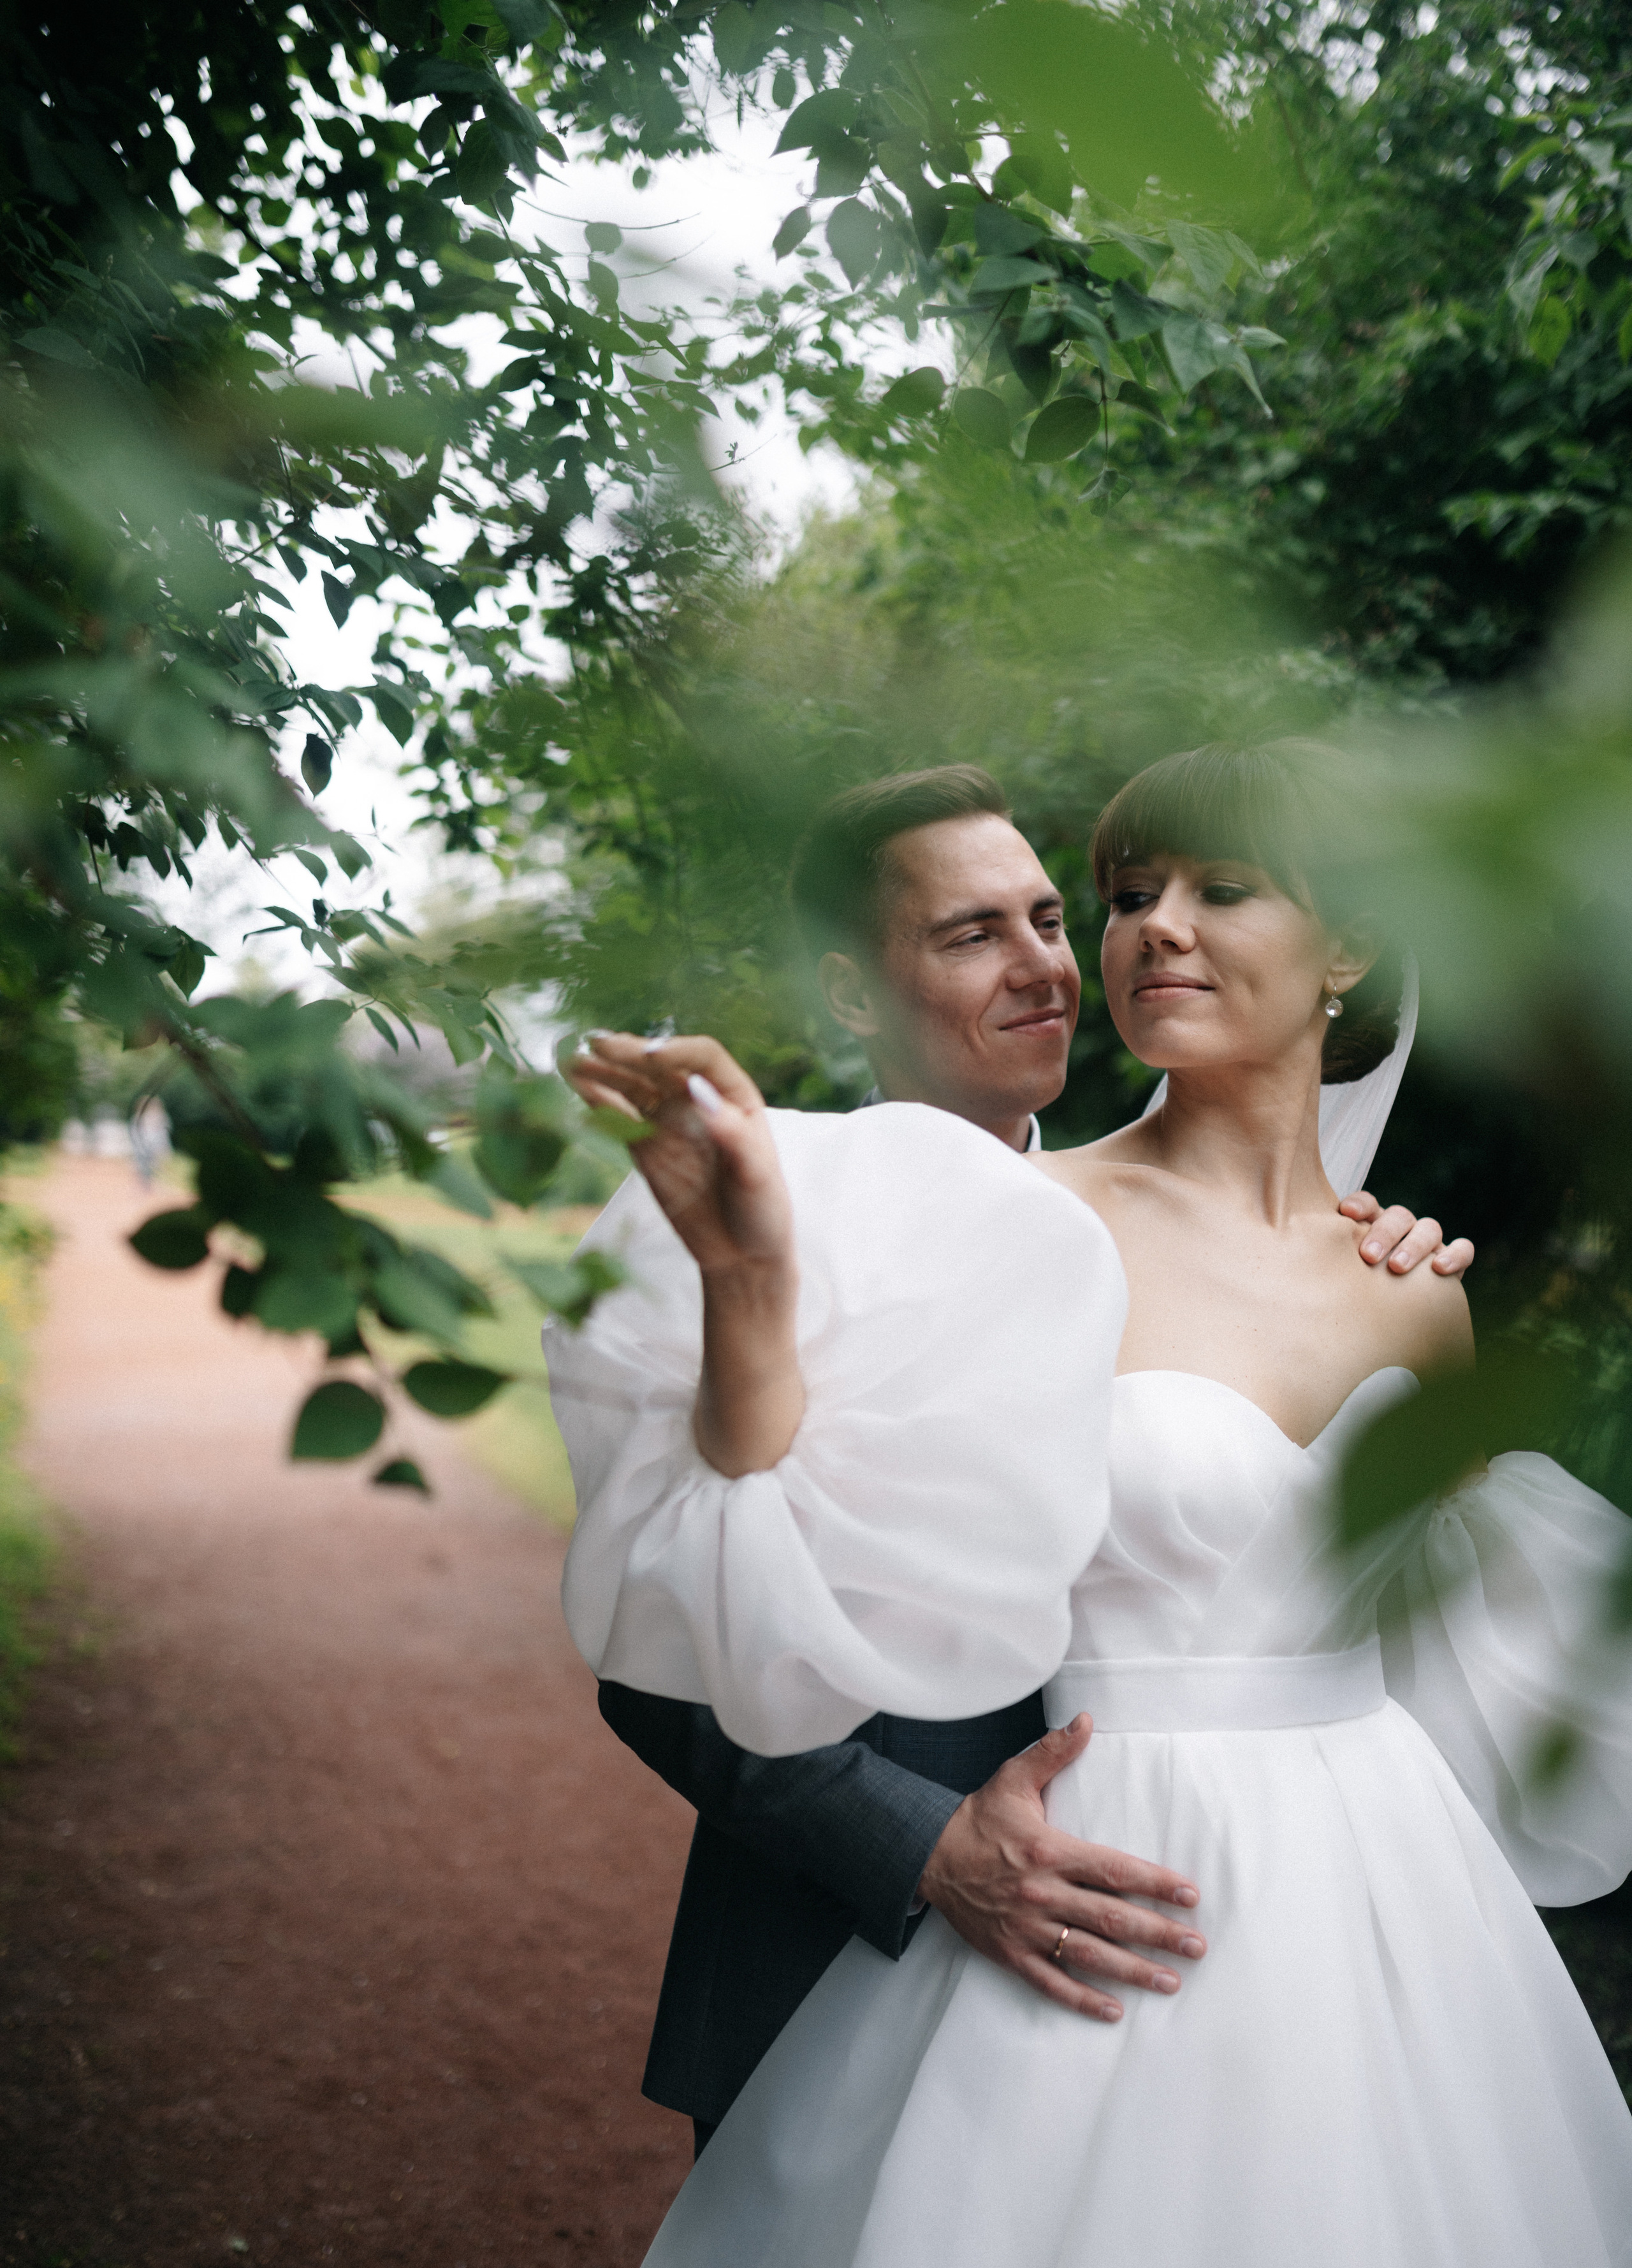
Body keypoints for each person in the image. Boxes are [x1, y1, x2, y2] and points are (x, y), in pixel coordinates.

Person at [549, 739, 1632, 2268]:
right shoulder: (1015, 1227)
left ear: (1351, 948)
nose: (1141, 936)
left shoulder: (1413, 1287)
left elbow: (1464, 1621)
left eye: (1214, 889)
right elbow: (751, 1538)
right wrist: (750, 1288)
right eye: (1131, 895)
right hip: (1094, 1874)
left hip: (1376, 1902)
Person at [595, 762, 1475, 2151]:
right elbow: (670, 1618)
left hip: (1293, 1917)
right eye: (970, 934)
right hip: (854, 1946)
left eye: (1052, 919)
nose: (1051, 965)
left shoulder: (1382, 1271)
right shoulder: (816, 1216)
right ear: (849, 992)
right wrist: (922, 1847)